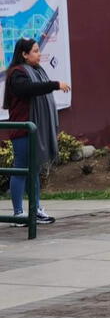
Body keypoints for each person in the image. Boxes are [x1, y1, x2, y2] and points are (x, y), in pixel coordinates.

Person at [2, 37, 71, 225]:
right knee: (21, 169)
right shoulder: (17, 74)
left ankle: (36, 209)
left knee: (34, 170)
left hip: (35, 129)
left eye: (38, 50)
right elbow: (28, 89)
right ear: (24, 55)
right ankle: (18, 214)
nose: (39, 54)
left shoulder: (36, 71)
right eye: (34, 51)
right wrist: (55, 84)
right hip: (23, 129)